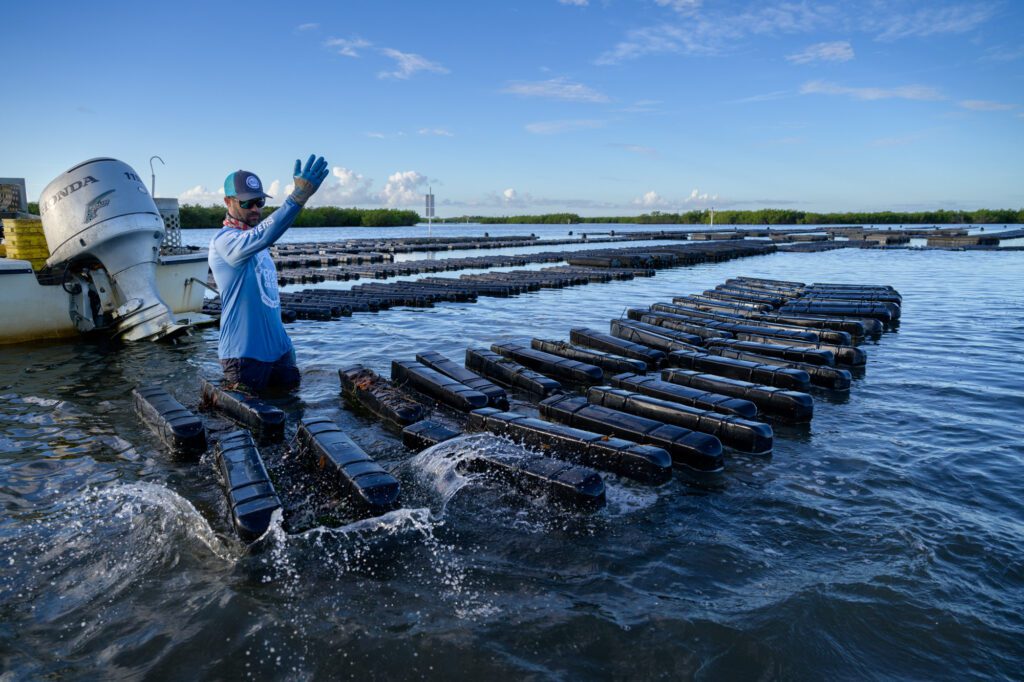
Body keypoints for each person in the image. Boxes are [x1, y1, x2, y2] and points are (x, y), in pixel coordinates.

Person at [208, 154, 330, 393]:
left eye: (259, 202)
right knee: (249, 429)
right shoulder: (224, 242)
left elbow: (268, 299)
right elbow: (264, 234)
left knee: (295, 418)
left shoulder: (260, 246)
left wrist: (287, 345)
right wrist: (298, 197)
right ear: (228, 201)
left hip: (280, 353)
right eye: (247, 203)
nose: (255, 208)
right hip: (243, 358)